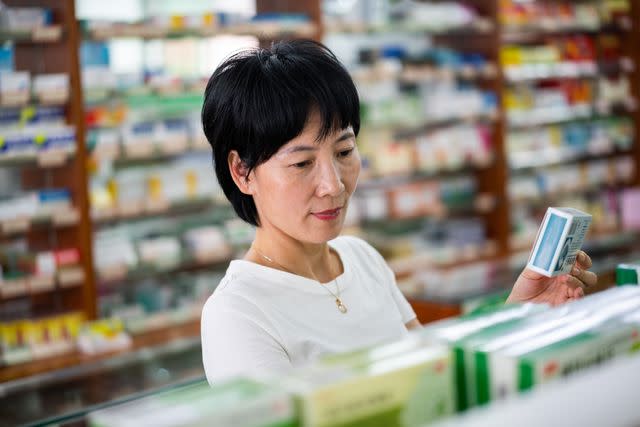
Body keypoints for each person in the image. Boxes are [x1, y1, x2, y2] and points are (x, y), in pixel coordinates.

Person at [200, 39, 597, 384]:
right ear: (242, 172)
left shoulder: (362, 258)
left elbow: (436, 377)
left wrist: (519, 313)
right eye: (302, 164)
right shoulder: (237, 314)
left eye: (343, 151)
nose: (334, 184)